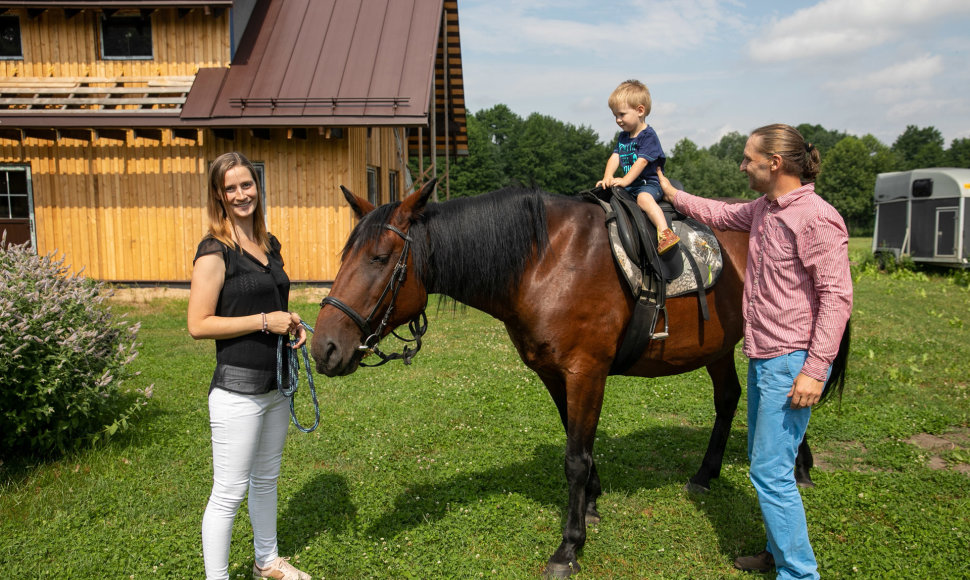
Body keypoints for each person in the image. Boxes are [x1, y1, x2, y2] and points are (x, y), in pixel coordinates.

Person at [657, 124, 852, 580]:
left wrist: (815, 369)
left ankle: (799, 573)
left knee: (769, 471)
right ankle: (776, 550)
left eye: (748, 159)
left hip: (791, 361)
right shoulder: (765, 209)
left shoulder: (815, 218)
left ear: (775, 163)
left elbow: (837, 297)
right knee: (772, 465)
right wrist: (669, 192)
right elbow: (719, 214)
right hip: (764, 356)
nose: (742, 165)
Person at [187, 152, 311, 580]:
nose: (242, 194)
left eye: (247, 185)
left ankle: (266, 561)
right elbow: (198, 324)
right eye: (231, 188)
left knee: (266, 479)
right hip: (237, 391)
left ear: (257, 187)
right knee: (228, 492)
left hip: (276, 384)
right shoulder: (215, 250)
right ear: (219, 197)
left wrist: (289, 320)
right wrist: (264, 321)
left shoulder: (268, 244)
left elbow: (269, 302)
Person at [596, 79, 680, 255]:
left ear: (640, 110)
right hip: (631, 185)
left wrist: (625, 180)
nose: (618, 120)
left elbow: (641, 161)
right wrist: (608, 177)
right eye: (615, 116)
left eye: (622, 114)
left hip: (649, 184)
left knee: (644, 199)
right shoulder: (623, 137)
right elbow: (615, 156)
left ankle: (665, 233)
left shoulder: (648, 136)